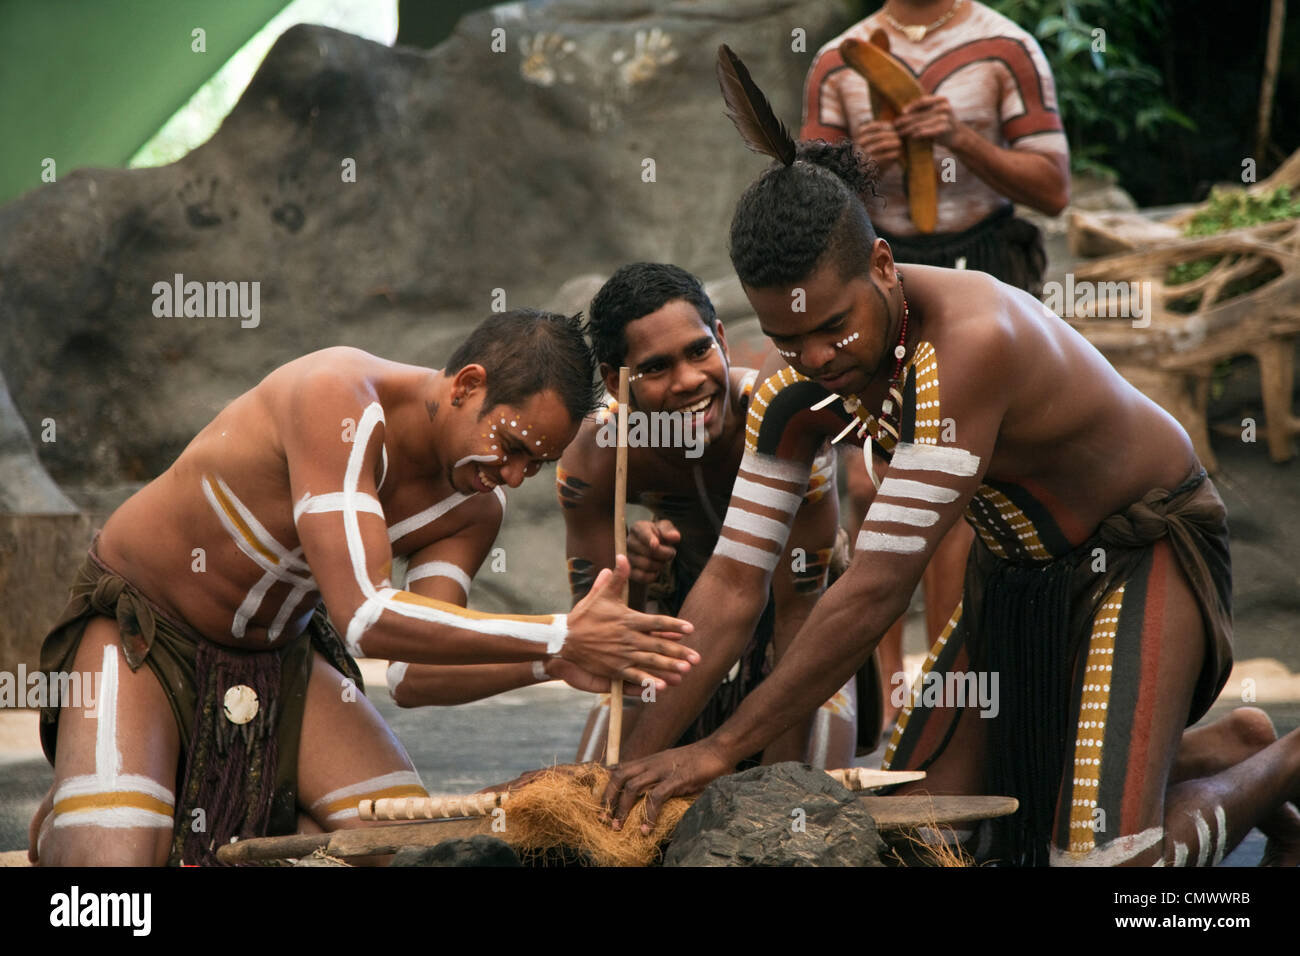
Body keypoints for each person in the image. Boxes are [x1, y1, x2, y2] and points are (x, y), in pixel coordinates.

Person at [602, 139, 1300, 866]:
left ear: (881, 267)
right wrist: (621, 782)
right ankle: (1224, 749)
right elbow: (733, 583)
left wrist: (719, 750)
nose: (814, 359)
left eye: (832, 328)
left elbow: (874, 591)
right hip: (1011, 577)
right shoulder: (794, 392)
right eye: (786, 338)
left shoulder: (969, 347)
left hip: (1139, 556)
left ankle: (1280, 763)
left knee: (1105, 866)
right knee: (919, 839)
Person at [30, 309, 697, 866]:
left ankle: (214, 800)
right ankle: (72, 817)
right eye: (513, 445)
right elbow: (366, 618)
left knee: (396, 850)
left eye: (536, 463)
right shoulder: (339, 398)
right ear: (467, 384)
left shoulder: (473, 510)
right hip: (145, 635)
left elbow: (411, 673)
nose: (516, 475)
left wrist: (552, 660)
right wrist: (561, 631)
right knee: (110, 891)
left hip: (281, 661)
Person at [389, 264, 868, 769]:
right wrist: (637, 576)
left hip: (794, 618)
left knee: (801, 801)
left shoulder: (778, 420)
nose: (688, 381)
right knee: (598, 802)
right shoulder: (597, 456)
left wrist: (782, 786)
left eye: (699, 351)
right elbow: (597, 632)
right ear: (616, 383)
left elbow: (800, 607)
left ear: (722, 340)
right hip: (672, 625)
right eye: (656, 367)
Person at [802, 0, 1073, 726]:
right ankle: (889, 702)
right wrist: (862, 165)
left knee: (960, 490)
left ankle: (948, 688)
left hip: (984, 267)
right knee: (868, 481)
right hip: (874, 276)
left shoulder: (1005, 49)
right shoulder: (839, 59)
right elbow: (802, 198)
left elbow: (1052, 185)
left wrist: (962, 139)